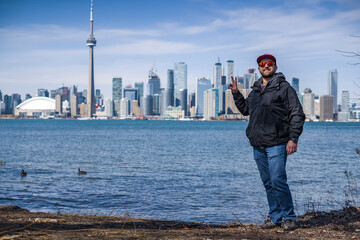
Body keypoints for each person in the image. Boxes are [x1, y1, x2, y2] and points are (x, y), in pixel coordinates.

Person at [228, 54, 305, 231]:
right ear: (259, 69)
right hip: (258, 144)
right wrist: (236, 93)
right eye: (262, 64)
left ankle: (289, 217)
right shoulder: (256, 89)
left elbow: (296, 114)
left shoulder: (284, 88)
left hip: (277, 143)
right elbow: (247, 110)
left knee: (278, 180)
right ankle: (276, 217)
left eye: (269, 64)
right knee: (268, 183)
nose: (265, 66)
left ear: (275, 67)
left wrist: (293, 138)